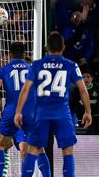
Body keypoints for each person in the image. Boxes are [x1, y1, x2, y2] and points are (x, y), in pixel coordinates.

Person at [15, 32, 92, 177]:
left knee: (33, 150)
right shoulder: (71, 65)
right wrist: (87, 112)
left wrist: (18, 112)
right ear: (64, 47)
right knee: (67, 152)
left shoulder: (37, 65)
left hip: (41, 114)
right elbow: (82, 89)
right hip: (62, 113)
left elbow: (25, 89)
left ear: (46, 48)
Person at [0, 42, 50, 177]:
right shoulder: (33, 69)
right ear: (25, 55)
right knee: (39, 148)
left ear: (9, 55)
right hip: (31, 112)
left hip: (11, 112)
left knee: (0, 144)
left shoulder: (4, 69)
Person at [70, 67, 99, 134]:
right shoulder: (76, 90)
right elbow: (72, 105)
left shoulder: (97, 88)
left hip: (96, 116)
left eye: (88, 77)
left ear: (92, 78)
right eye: (83, 77)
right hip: (81, 116)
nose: (86, 79)